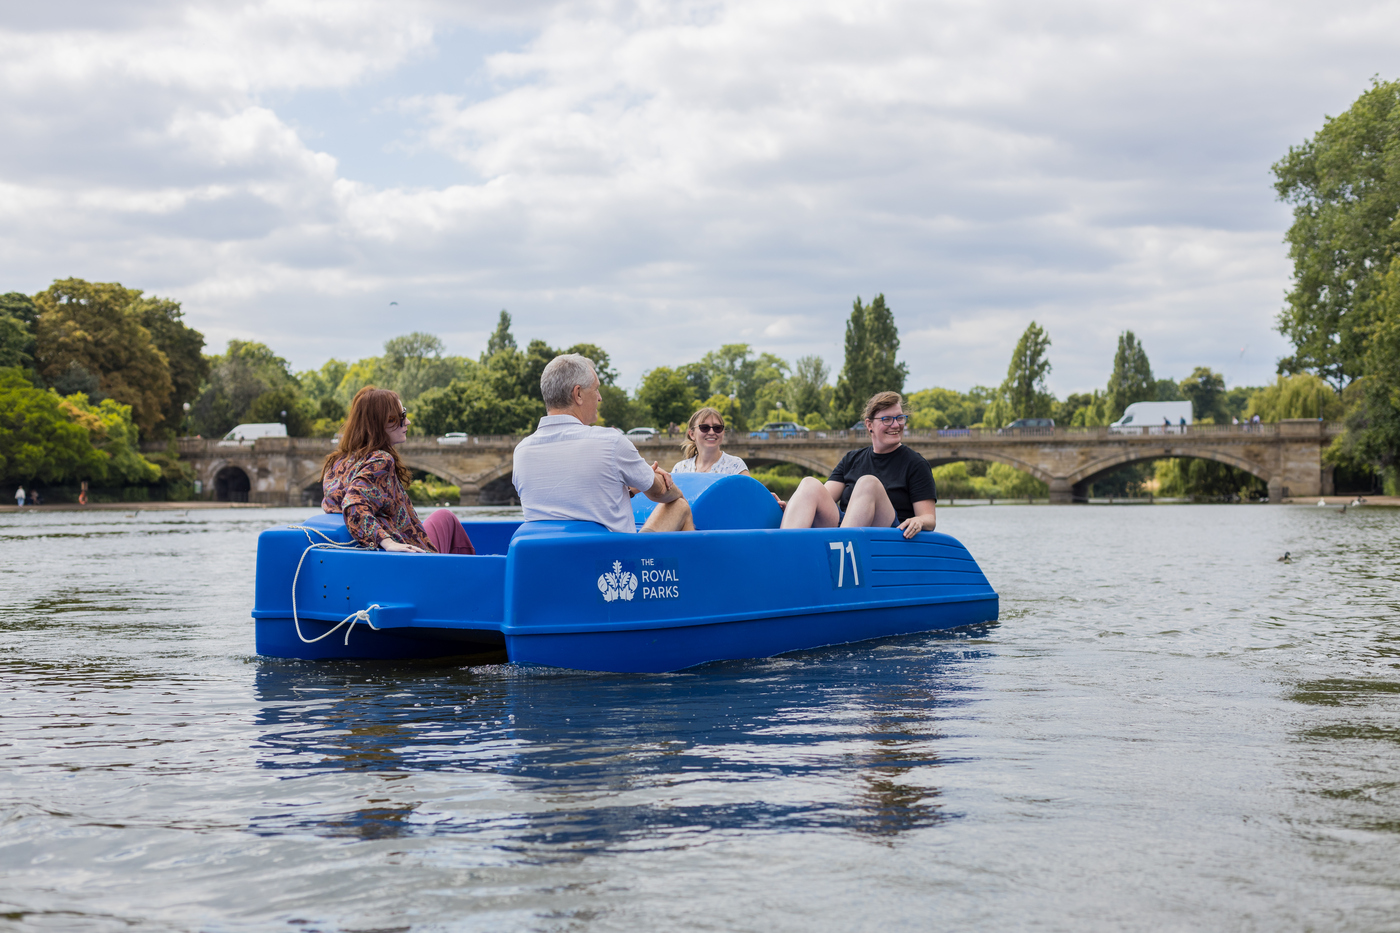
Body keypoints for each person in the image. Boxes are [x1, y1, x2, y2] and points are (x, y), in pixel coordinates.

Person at [513, 354, 693, 532]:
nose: (600, 398)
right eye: (596, 389)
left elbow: (571, 503)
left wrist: (627, 490)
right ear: (578, 394)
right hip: (613, 558)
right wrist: (669, 487)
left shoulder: (521, 452)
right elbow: (659, 492)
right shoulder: (610, 442)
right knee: (679, 506)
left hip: (546, 558)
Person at [321, 386, 474, 554]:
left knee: (443, 517)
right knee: (446, 517)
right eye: (399, 417)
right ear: (378, 423)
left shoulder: (337, 462)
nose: (407, 422)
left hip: (385, 548)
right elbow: (353, 504)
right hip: (416, 556)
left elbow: (341, 505)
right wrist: (386, 542)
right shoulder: (380, 459)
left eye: (404, 414)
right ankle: (471, 574)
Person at [780, 391, 936, 539]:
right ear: (869, 425)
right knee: (809, 484)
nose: (896, 425)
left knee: (868, 483)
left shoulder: (916, 464)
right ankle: (784, 552)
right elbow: (822, 497)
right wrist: (795, 507)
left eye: (900, 418)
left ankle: (840, 556)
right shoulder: (851, 459)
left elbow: (929, 517)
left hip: (889, 537)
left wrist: (920, 521)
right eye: (887, 419)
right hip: (846, 528)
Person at [672, 407, 750, 475]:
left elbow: (750, 491)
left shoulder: (735, 466)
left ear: (723, 432)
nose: (712, 432)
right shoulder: (680, 469)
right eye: (704, 427)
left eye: (717, 428)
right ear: (692, 434)